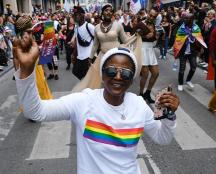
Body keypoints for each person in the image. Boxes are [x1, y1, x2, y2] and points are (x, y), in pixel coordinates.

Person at [14, 30, 179, 173]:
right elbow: (35, 111)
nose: (119, 77)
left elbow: (162, 138)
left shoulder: (138, 105)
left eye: (126, 73)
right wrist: (27, 72)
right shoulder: (83, 101)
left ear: (132, 79)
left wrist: (168, 116)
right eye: (112, 71)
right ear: (102, 73)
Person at [71, 3, 139, 92]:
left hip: (116, 57)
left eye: (111, 11)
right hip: (102, 57)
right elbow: (95, 44)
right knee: (103, 80)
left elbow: (125, 41)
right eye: (106, 10)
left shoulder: (118, 25)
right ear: (102, 12)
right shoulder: (97, 27)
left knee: (115, 78)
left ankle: (115, 96)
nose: (109, 12)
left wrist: (136, 36)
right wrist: (90, 58)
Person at [173, 13, 206, 91]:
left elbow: (200, 38)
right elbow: (177, 39)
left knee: (194, 67)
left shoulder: (196, 28)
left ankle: (188, 80)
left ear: (192, 19)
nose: (185, 20)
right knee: (182, 69)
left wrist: (198, 42)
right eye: (185, 18)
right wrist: (185, 37)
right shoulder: (181, 28)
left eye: (188, 19)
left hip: (193, 51)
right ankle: (180, 83)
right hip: (183, 51)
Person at [135, 8, 159, 103]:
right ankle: (141, 94)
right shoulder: (141, 23)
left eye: (154, 16)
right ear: (148, 13)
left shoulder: (153, 24)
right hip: (142, 49)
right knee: (145, 74)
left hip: (150, 49)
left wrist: (155, 35)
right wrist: (144, 36)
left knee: (156, 73)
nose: (152, 17)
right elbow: (135, 35)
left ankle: (147, 93)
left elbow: (154, 38)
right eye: (151, 15)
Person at [71, 6, 95, 80]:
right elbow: (77, 43)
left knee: (87, 78)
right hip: (80, 57)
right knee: (75, 72)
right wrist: (74, 54)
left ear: (82, 15)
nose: (75, 17)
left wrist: (93, 55)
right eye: (74, 15)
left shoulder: (89, 26)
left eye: (77, 15)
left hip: (88, 57)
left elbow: (97, 41)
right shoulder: (76, 28)